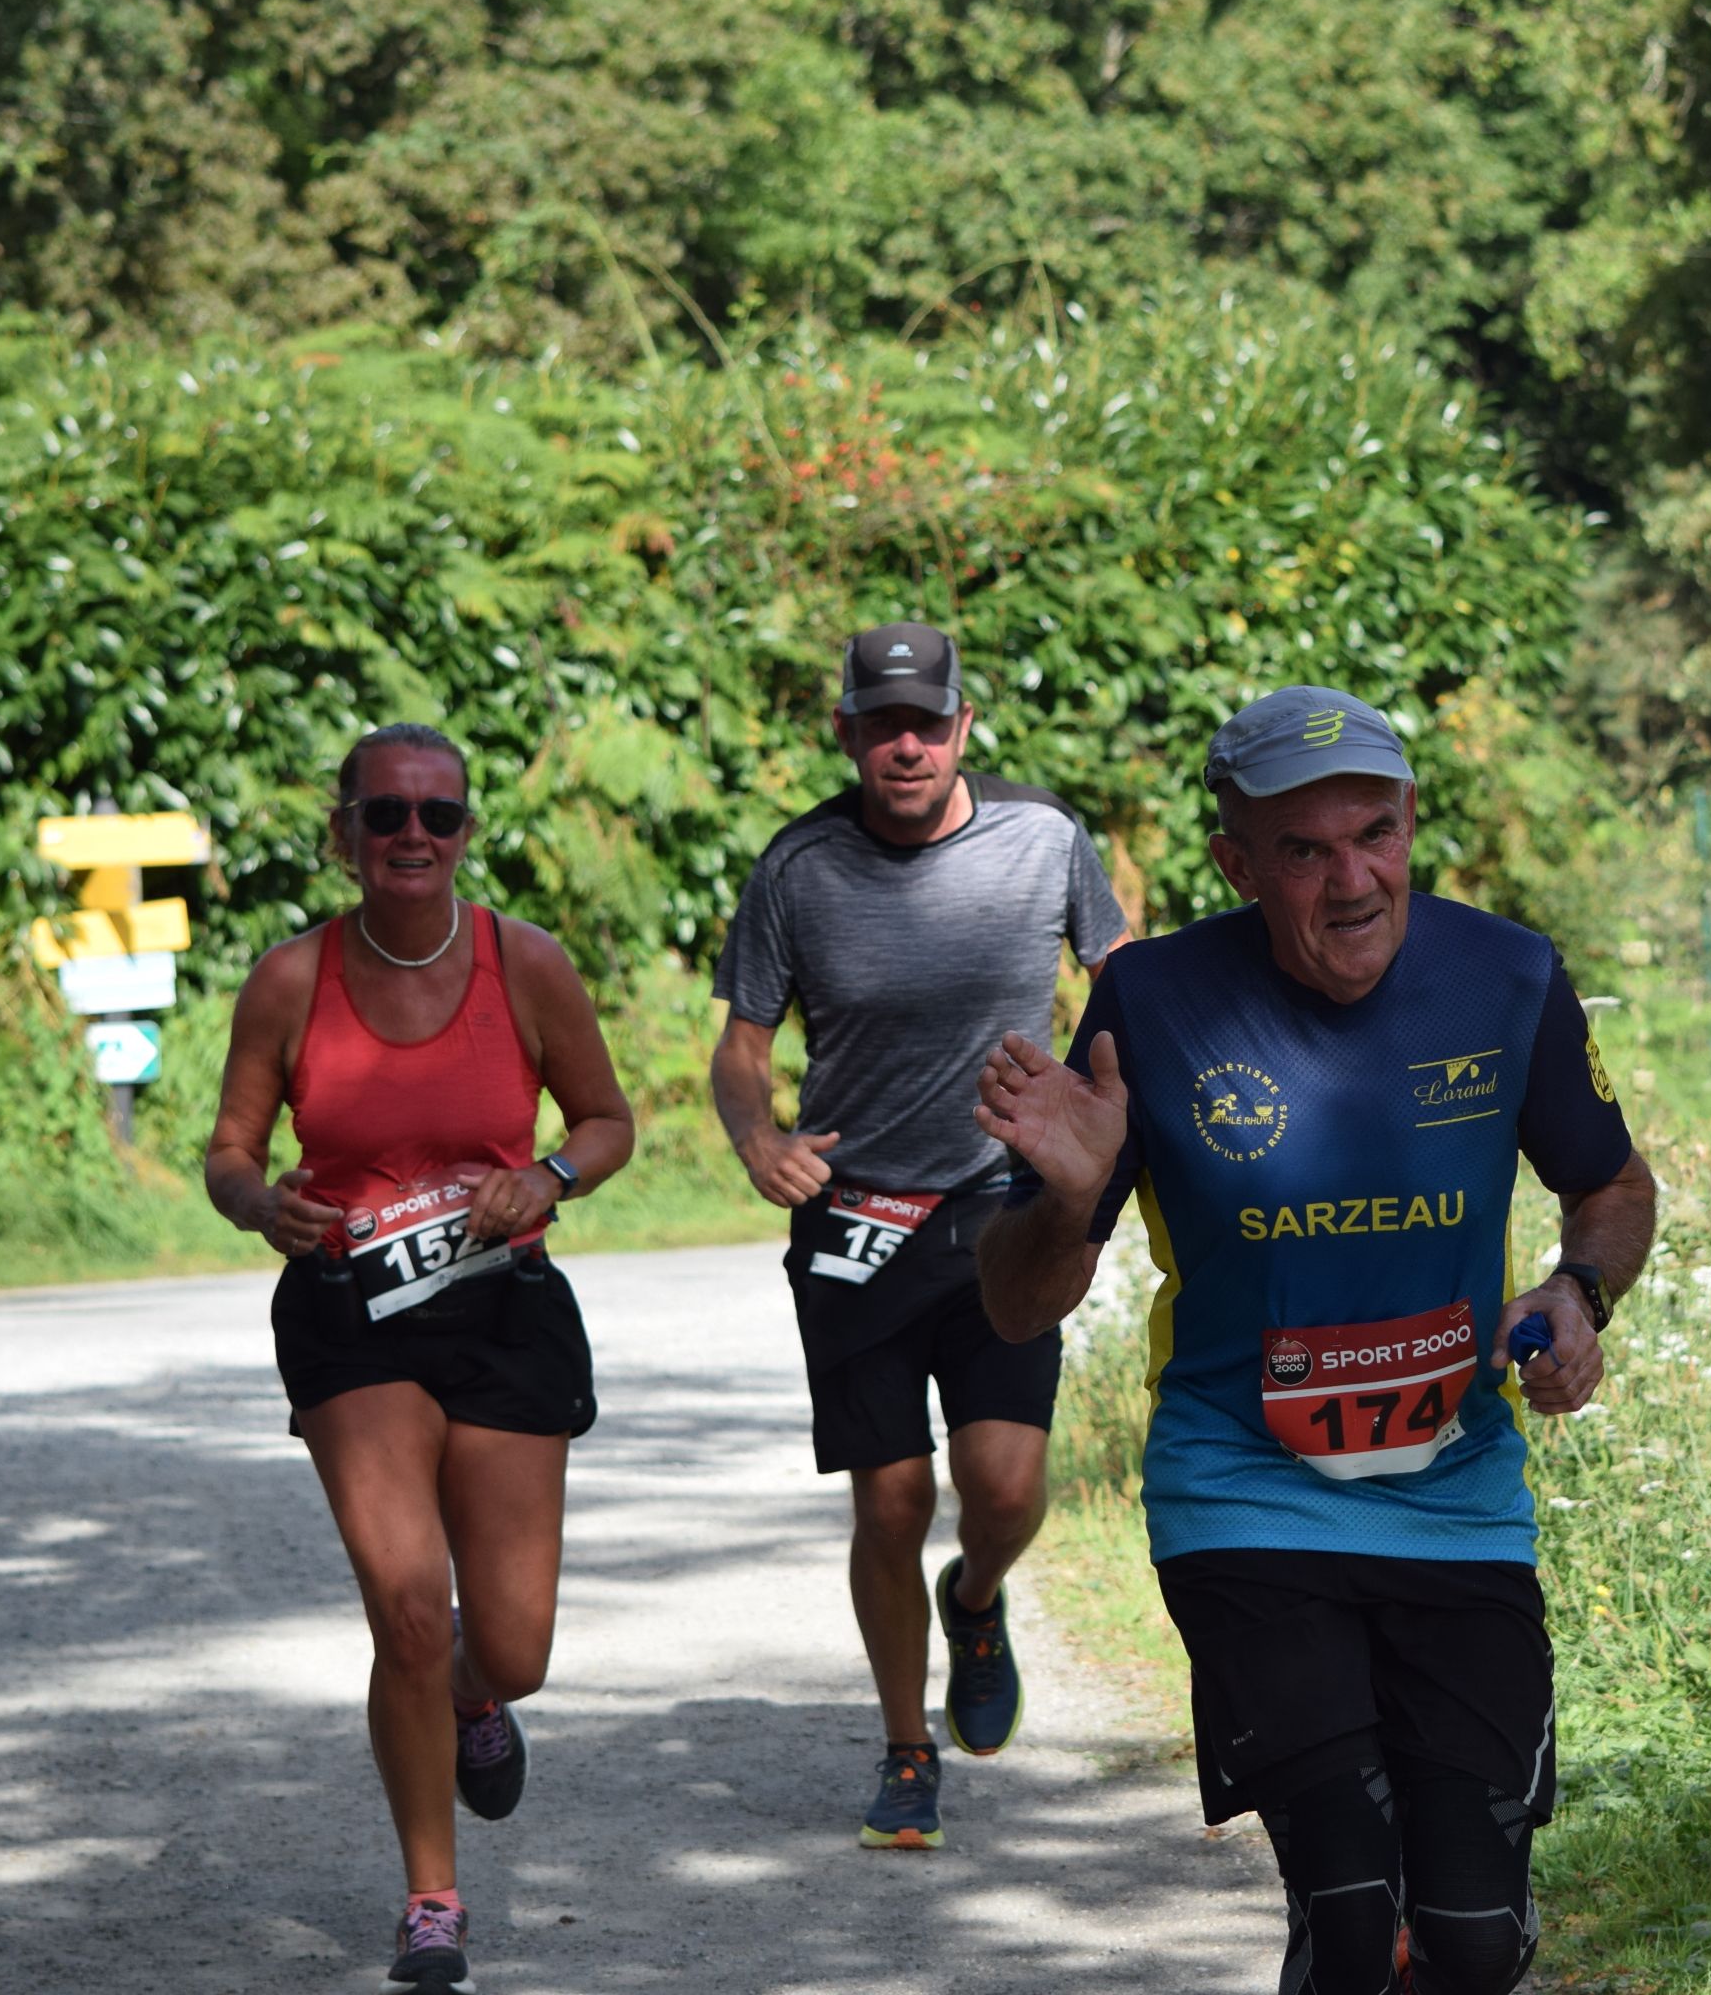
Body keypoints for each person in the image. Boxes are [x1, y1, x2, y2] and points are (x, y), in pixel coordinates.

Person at [973, 685, 1656, 1995]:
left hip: (1457, 1505)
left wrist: (1579, 1291)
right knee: (1349, 1913)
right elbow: (1014, 1306)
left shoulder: (1508, 976)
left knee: (1471, 1940)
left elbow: (1613, 1185)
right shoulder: (1150, 1001)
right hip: (1245, 1496)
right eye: (1303, 850)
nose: (1352, 882)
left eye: (1375, 835)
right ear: (1236, 863)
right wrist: (1066, 1201)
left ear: (1411, 823)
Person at [204, 722, 633, 1995]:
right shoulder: (290, 980)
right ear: (343, 830)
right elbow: (230, 1151)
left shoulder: (524, 961)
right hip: (352, 1314)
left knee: (513, 1646)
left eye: (436, 814)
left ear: (464, 832)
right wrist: (258, 1203)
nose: (411, 835)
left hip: (503, 1309)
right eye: (384, 812)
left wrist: (546, 1176)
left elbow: (606, 1121)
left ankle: (475, 1695)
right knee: (405, 1606)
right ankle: (431, 1898)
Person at [708, 621, 1129, 1850]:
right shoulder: (798, 866)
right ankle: (905, 1748)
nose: (908, 745)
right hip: (854, 1216)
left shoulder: (1042, 836)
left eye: (928, 722)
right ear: (845, 731)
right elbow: (742, 1045)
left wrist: (1112, 1119)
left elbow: (1126, 981)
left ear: (962, 725)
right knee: (889, 1501)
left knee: (1004, 1486)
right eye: (883, 724)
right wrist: (757, 1138)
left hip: (1004, 1208)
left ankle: (976, 1596)